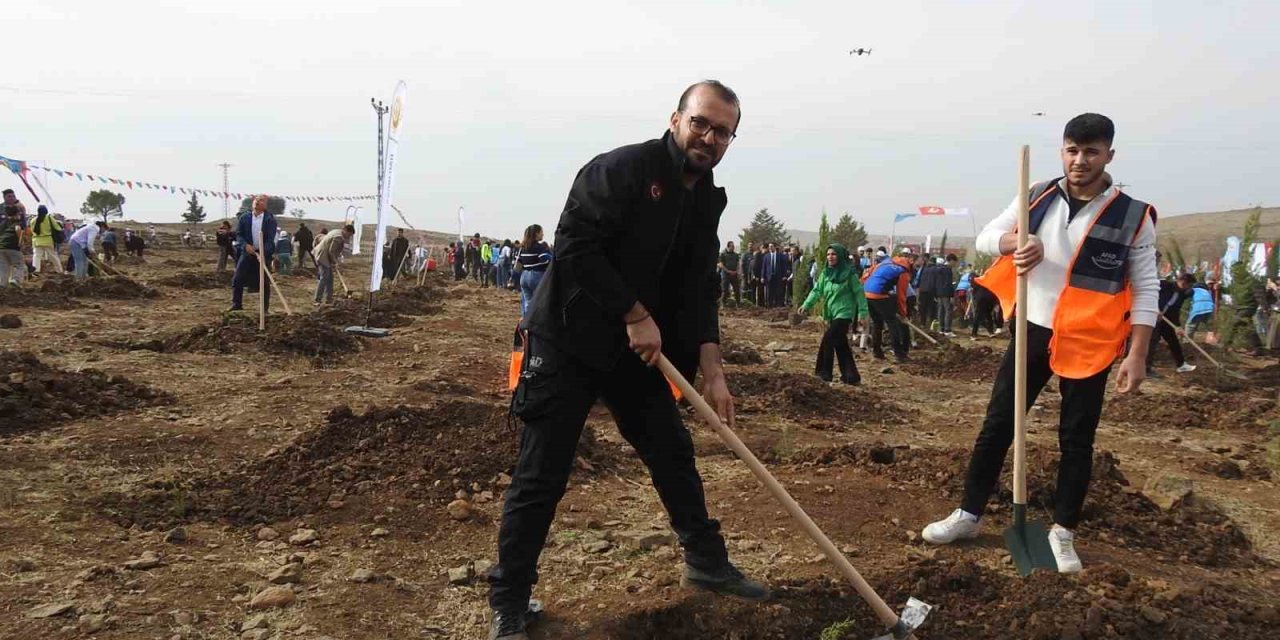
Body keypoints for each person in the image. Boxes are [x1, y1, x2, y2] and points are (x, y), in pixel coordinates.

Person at [490, 80, 766, 640]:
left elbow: (697, 286)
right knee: (542, 473)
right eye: (701, 124)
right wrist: (635, 312)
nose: (709, 137)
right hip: (568, 339)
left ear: (730, 140)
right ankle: (510, 600)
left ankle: (706, 561)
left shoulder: (708, 198)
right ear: (676, 119)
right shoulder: (619, 170)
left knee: (671, 451)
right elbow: (575, 248)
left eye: (722, 132)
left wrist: (712, 369)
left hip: (637, 352)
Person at [921, 113, 1158, 575]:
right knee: (998, 424)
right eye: (1072, 150)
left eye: (1091, 151)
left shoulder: (1134, 216)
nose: (1080, 160)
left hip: (1091, 338)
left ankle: (1063, 531)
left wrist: (1139, 352)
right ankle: (969, 514)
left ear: (1109, 155)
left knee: (1076, 437)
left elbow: (1146, 285)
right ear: (1062, 151)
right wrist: (1015, 242)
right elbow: (988, 236)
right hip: (1033, 327)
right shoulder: (1037, 195)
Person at [800, 243, 868, 385]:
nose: (830, 257)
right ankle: (851, 376)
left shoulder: (849, 275)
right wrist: (806, 304)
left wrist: (862, 313)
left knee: (828, 338)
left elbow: (859, 294)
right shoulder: (826, 273)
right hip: (831, 313)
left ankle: (824, 374)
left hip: (844, 314)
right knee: (841, 344)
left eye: (834, 254)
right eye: (828, 254)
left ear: (841, 256)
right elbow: (817, 290)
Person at [863, 248, 913, 362]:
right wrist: (903, 314)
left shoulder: (884, 263)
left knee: (877, 323)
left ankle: (877, 352)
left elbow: (866, 276)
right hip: (879, 295)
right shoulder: (902, 271)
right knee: (892, 324)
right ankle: (899, 354)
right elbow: (901, 295)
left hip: (867, 293)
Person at [229, 195, 278, 312]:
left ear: (265, 205)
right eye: (256, 200)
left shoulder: (270, 220)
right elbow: (239, 234)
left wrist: (263, 252)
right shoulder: (244, 218)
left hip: (262, 253)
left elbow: (270, 240)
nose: (257, 201)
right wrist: (245, 245)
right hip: (247, 252)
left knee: (264, 282)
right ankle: (237, 305)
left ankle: (264, 309)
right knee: (238, 278)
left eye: (261, 200)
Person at [1146, 271, 1196, 375]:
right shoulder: (1164, 285)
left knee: (1173, 340)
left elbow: (1175, 311)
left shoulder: (1181, 295)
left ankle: (1181, 365)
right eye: (1188, 285)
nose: (1188, 288)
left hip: (1165, 320)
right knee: (1152, 341)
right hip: (1151, 315)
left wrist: (1178, 326)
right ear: (1182, 281)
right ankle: (1146, 368)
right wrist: (1155, 308)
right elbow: (1149, 293)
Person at [313, 224, 354, 305]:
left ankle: (329, 298)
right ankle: (317, 299)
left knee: (330, 278)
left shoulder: (336, 231)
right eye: (349, 234)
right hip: (322, 257)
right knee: (324, 278)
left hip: (324, 256)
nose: (349, 237)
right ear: (345, 231)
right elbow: (331, 251)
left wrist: (333, 261)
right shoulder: (338, 238)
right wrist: (335, 262)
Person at [517, 224, 551, 317]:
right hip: (536, 276)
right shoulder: (539, 247)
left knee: (528, 303)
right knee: (540, 302)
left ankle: (526, 323)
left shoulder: (523, 247)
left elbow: (518, 263)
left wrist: (513, 278)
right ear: (536, 234)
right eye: (541, 232)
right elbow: (545, 259)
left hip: (524, 277)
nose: (543, 235)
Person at [30, 205, 64, 275]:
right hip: (48, 240)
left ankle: (36, 270)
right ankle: (59, 270)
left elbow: (32, 231)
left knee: (36, 256)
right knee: (53, 256)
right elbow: (57, 227)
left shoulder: (33, 220)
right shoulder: (48, 217)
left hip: (36, 241)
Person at [0, 205, 26, 286]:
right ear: (17, 213)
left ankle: (3, 284)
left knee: (4, 267)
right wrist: (20, 242)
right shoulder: (18, 223)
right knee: (19, 264)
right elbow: (18, 229)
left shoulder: (3, 223)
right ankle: (16, 280)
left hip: (1, 247)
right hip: (12, 247)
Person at [1184, 274, 1215, 339]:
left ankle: (1186, 341)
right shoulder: (1207, 291)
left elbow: (1184, 295)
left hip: (1198, 310)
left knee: (1190, 326)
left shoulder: (1194, 289)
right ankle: (1211, 339)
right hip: (1210, 309)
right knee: (1210, 326)